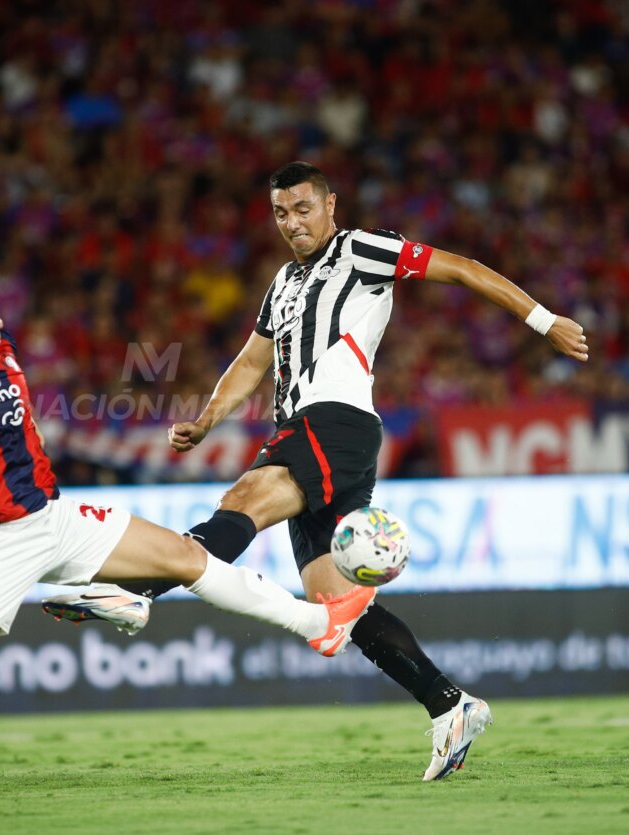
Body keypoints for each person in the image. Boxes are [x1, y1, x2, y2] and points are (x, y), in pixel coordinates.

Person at [42, 161, 589, 781]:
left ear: (332, 205)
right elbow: (252, 361)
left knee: (245, 496)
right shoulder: (282, 283)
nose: (293, 223)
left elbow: (459, 268)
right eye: (281, 213)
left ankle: (138, 591)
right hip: (312, 433)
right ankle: (451, 705)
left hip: (335, 422)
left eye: (303, 208)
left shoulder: (362, 249)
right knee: (337, 605)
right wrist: (207, 420)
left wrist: (544, 322)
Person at [0, 267, 376, 804]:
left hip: (56, 520)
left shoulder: (1, 353)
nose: (0, 320)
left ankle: (317, 626)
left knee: (184, 555)